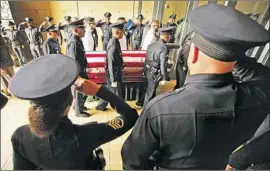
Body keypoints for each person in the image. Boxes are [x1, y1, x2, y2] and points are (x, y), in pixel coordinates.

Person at [121, 4, 270, 169]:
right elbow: (264, 77)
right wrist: (231, 52)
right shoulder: (259, 96)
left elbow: (132, 161)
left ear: (195, 53)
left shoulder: (161, 109)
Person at [9, 54, 139, 169]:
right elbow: (131, 116)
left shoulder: (20, 136)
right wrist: (99, 90)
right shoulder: (87, 135)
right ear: (70, 102)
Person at [142, 26, 175, 106]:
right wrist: (164, 78)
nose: (169, 37)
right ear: (166, 36)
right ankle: (145, 111)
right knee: (151, 92)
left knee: (148, 90)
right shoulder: (163, 47)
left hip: (147, 70)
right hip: (154, 73)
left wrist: (144, 71)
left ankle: (146, 105)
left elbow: (146, 59)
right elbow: (163, 64)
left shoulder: (151, 45)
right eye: (169, 35)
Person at [95, 22, 124, 111]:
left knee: (109, 90)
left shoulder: (115, 41)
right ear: (118, 32)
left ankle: (101, 105)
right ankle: (121, 109)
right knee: (117, 92)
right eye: (123, 31)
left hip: (115, 71)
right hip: (113, 73)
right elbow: (110, 63)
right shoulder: (113, 44)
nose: (124, 33)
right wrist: (112, 79)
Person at [66, 18, 90, 117]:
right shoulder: (74, 43)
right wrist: (78, 76)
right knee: (79, 91)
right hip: (77, 72)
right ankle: (78, 112)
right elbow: (74, 61)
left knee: (82, 90)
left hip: (80, 70)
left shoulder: (77, 40)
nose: (84, 31)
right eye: (82, 29)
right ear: (76, 30)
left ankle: (79, 106)